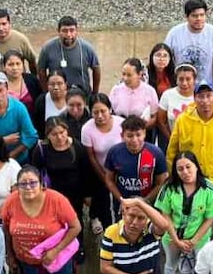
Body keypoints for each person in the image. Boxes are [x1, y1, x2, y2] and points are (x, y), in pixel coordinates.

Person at [154, 152, 213, 274]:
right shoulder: (168, 188)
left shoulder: (209, 188)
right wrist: (176, 240)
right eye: (180, 169)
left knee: (199, 268)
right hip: (172, 238)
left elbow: (210, 218)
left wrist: (193, 241)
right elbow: (165, 215)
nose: (185, 172)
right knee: (171, 265)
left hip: (199, 239)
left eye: (188, 167)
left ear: (196, 167)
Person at [165, 81, 213, 218]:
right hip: (189, 182)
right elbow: (172, 151)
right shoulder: (183, 120)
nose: (205, 101)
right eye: (200, 96)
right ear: (194, 98)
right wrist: (175, 176)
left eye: (209, 96)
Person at [29, 116, 93, 261]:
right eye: (55, 134)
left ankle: (78, 247)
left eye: (62, 132)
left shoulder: (76, 146)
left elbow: (86, 171)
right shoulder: (41, 150)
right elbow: (35, 173)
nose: (59, 137)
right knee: (55, 223)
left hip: (75, 193)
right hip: (52, 194)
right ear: (48, 135)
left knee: (75, 221)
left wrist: (87, 194)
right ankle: (57, 246)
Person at [80, 93, 124, 234]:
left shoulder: (121, 123)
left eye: (103, 111)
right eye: (95, 112)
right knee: (103, 201)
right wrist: (105, 177)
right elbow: (91, 156)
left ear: (110, 109)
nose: (99, 116)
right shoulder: (87, 129)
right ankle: (104, 227)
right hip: (99, 170)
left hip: (121, 170)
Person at [164, 0, 213, 86]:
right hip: (181, 85)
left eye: (202, 15)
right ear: (186, 16)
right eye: (194, 16)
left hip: (204, 86)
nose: (199, 19)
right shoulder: (174, 33)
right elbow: (167, 59)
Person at [105, 115, 168, 202]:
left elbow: (161, 182)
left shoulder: (156, 154)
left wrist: (145, 201)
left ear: (144, 134)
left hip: (148, 205)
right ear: (122, 136)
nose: (134, 140)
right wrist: (121, 200)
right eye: (130, 136)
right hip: (122, 204)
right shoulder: (114, 152)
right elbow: (109, 179)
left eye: (138, 135)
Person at [37, 15, 101, 95]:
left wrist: (95, 93)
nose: (68, 34)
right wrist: (46, 92)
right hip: (57, 95)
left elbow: (96, 68)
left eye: (72, 30)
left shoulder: (87, 48)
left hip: (82, 95)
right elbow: (41, 70)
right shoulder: (47, 48)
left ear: (77, 31)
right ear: (58, 31)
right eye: (64, 31)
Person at [108, 58, 160, 136]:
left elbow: (154, 116)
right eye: (123, 74)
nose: (125, 78)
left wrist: (141, 128)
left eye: (129, 75)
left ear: (139, 74)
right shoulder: (116, 90)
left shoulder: (149, 91)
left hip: (142, 132)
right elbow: (110, 112)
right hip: (120, 131)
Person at [156, 63, 196, 144]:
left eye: (188, 79)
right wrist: (172, 139)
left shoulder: (200, 96)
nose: (184, 83)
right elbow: (161, 121)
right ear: (176, 80)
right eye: (181, 79)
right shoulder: (168, 95)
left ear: (194, 80)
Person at [32, 71, 70, 137]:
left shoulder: (73, 98)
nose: (56, 87)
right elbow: (36, 126)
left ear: (66, 84)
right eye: (52, 84)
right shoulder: (41, 101)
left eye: (59, 83)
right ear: (47, 85)